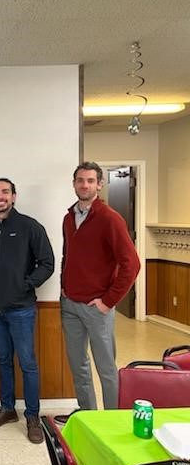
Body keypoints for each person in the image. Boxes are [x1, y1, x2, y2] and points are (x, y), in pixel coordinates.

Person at [0, 178, 54, 444]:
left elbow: (47, 263)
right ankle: (8, 409)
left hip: (21, 309)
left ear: (14, 196)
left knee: (27, 363)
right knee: (2, 360)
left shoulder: (30, 226)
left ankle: (32, 416)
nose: (0, 196)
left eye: (5, 192)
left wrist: (26, 284)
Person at [61, 162, 140, 412]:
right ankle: (88, 416)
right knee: (78, 366)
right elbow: (68, 255)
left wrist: (108, 301)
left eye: (90, 181)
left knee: (106, 369)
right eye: (80, 180)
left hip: (97, 308)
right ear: (74, 184)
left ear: (99, 184)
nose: (84, 185)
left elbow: (132, 264)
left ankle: (112, 419)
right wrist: (64, 286)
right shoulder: (69, 218)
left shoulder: (110, 219)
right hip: (70, 305)